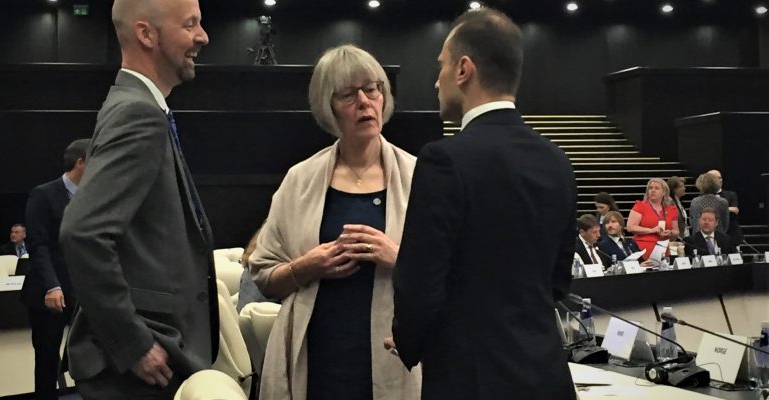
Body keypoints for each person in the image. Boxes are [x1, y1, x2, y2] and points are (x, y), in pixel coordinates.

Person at [389, 8, 576, 399]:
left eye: (441, 66)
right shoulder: (557, 161)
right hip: (547, 375)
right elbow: (558, 280)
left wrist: (409, 340)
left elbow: (419, 282)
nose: (436, 80)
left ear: (463, 70)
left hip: (470, 379)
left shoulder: (444, 160)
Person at [59, 0, 217, 398]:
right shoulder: (138, 113)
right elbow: (82, 233)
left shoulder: (133, 105)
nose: (203, 36)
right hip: (140, 371)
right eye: (190, 24)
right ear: (146, 34)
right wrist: (133, 344)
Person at [249, 44, 421, 399]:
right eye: (348, 94)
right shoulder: (300, 179)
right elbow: (264, 275)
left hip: (396, 355)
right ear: (328, 107)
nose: (364, 102)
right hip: (317, 358)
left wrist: (399, 259)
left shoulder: (420, 177)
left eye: (372, 89)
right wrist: (308, 266)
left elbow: (452, 277)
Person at [21, 138, 90, 400]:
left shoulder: (93, 197)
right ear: (80, 162)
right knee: (47, 358)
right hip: (48, 290)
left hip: (82, 291)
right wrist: (52, 285)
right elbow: (38, 245)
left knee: (90, 353)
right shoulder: (43, 194)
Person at [627, 178, 679, 260]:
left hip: (664, 249)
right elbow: (630, 227)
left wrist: (670, 232)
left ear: (664, 192)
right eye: (650, 188)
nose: (653, 190)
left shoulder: (671, 209)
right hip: (643, 250)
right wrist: (652, 230)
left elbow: (676, 231)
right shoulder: (640, 206)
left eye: (656, 188)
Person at [708, 169, 743, 244]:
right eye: (716, 178)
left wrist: (715, 209)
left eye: (720, 177)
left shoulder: (731, 194)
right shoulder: (704, 197)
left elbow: (735, 210)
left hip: (731, 234)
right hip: (711, 234)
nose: (720, 180)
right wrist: (727, 209)